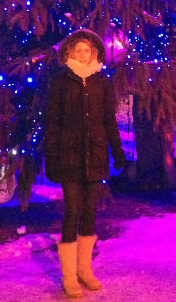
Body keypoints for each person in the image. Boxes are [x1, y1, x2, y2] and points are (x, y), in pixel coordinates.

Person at [44, 29, 126, 298]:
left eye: (87, 50)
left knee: (90, 212)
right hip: (68, 155)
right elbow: (52, 122)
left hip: (96, 154)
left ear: (94, 53)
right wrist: (51, 156)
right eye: (78, 50)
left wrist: (117, 150)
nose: (82, 54)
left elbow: (109, 119)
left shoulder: (102, 81)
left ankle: (84, 269)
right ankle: (68, 276)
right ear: (69, 52)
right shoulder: (60, 81)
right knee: (73, 210)